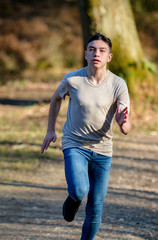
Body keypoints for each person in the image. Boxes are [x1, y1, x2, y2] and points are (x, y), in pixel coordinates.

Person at [41, 32, 131, 240]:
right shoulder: (72, 79)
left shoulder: (118, 85)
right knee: (81, 191)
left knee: (95, 208)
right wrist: (50, 130)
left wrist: (122, 122)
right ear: (85, 54)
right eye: (92, 50)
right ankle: (73, 199)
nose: (96, 54)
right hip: (75, 144)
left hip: (103, 150)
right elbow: (56, 99)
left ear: (109, 57)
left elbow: (126, 127)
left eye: (102, 51)